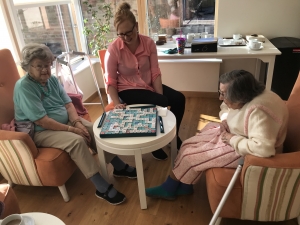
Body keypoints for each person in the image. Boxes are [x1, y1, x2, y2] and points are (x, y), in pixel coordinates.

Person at [13, 43, 137, 205]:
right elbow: (41, 120)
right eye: (39, 66)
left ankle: (118, 166)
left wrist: (77, 123)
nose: (45, 70)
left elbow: (68, 104)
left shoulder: (52, 80)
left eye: (47, 65)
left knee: (97, 131)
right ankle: (100, 187)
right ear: (28, 66)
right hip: (40, 130)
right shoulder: (24, 87)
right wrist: (72, 130)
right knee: (76, 141)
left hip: (65, 121)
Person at [145, 69, 289, 200]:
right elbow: (227, 107)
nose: (220, 98)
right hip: (239, 135)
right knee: (188, 143)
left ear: (240, 96)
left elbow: (263, 149)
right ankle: (185, 185)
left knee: (190, 155)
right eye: (220, 92)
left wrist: (233, 139)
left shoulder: (259, 111)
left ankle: (169, 188)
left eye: (223, 94)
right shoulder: (250, 92)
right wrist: (226, 119)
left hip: (248, 152)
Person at [104, 2, 186, 161]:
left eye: (129, 32)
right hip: (127, 89)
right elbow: (111, 81)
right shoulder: (113, 49)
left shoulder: (148, 43)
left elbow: (155, 72)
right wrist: (116, 102)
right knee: (159, 101)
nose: (126, 38)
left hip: (148, 84)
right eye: (121, 34)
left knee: (179, 98)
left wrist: (159, 96)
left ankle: (171, 136)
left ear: (136, 26)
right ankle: (154, 144)